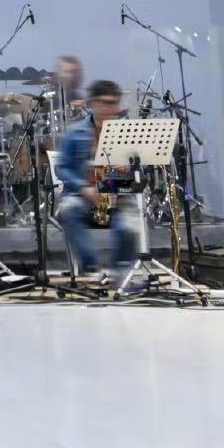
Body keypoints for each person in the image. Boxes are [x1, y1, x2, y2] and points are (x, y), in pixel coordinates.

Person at [55, 79, 142, 291]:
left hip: (113, 198)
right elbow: (62, 168)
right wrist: (83, 187)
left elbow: (135, 173)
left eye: (114, 103)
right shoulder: (75, 133)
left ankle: (118, 271)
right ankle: (92, 269)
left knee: (129, 226)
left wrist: (123, 177)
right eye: (104, 103)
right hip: (84, 198)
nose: (110, 108)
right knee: (68, 211)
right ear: (92, 103)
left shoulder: (125, 134)